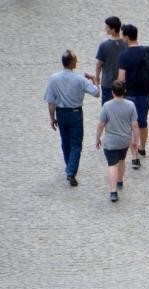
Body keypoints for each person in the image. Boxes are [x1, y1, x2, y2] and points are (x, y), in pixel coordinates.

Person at [44, 50, 100, 187]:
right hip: (75, 113)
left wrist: (52, 118)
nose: (77, 61)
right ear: (71, 63)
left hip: (61, 114)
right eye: (75, 60)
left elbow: (51, 102)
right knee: (76, 144)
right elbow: (97, 93)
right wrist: (94, 79)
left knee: (65, 142)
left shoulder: (54, 78)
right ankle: (71, 171)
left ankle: (69, 166)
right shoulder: (80, 79)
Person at [118, 24, 149, 167]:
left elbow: (121, 78)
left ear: (127, 37)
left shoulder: (124, 55)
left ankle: (134, 155)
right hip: (145, 92)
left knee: (131, 124)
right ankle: (142, 148)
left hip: (129, 94)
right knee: (142, 121)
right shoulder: (146, 50)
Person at [95, 80, 140, 202]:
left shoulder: (107, 106)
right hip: (125, 140)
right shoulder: (130, 105)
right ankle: (119, 181)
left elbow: (101, 124)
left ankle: (113, 191)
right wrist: (136, 140)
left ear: (112, 92)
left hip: (111, 141)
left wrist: (97, 138)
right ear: (125, 91)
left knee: (112, 164)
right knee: (121, 160)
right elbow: (135, 125)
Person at [95, 16, 127, 105]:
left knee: (107, 108)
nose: (105, 29)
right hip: (123, 83)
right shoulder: (126, 43)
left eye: (107, 27)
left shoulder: (104, 45)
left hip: (108, 83)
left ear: (112, 30)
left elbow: (99, 65)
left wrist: (97, 78)